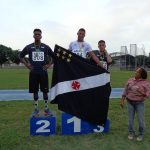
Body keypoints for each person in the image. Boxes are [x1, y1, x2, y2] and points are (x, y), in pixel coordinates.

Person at [20, 28, 54, 117]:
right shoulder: (29, 47)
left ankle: (46, 108)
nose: (37, 36)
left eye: (39, 34)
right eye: (36, 34)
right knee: (35, 91)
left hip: (43, 72)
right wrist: (27, 64)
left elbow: (53, 56)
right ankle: (36, 109)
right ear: (33, 36)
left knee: (45, 91)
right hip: (33, 72)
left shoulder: (45, 47)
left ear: (41, 36)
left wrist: (48, 65)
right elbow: (20, 56)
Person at [120, 67, 150, 141]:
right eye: (135, 71)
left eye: (137, 72)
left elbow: (148, 95)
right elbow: (125, 91)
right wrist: (122, 100)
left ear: (141, 74)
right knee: (130, 120)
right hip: (130, 102)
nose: (135, 73)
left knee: (141, 120)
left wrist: (142, 92)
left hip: (139, 103)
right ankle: (131, 133)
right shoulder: (130, 80)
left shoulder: (146, 83)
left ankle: (141, 134)